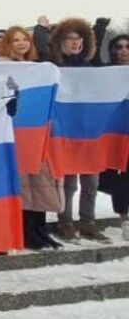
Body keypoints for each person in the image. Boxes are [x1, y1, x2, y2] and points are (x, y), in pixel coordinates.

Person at [0, 27, 63, 251]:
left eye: (25, 39)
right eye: (16, 40)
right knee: (23, 186)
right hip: (15, 133)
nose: (21, 43)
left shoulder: (36, 69)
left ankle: (39, 229)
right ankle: (26, 231)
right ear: (7, 43)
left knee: (40, 184)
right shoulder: (0, 67)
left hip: (35, 132)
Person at [47, 18, 108, 243]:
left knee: (91, 181)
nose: (75, 42)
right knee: (69, 182)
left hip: (90, 131)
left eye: (79, 37)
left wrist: (98, 30)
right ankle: (65, 222)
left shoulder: (91, 67)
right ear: (61, 41)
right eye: (70, 38)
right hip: (66, 131)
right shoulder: (54, 67)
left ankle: (88, 223)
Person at [98, 28, 129, 241]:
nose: (123, 51)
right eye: (118, 47)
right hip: (114, 134)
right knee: (118, 177)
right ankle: (124, 217)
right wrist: (99, 29)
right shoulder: (106, 74)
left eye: (127, 47)